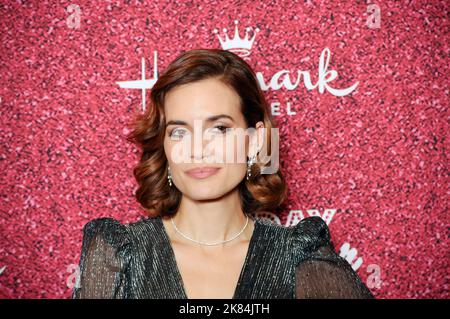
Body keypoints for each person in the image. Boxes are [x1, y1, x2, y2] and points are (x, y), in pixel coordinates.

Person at [72, 48, 374, 299]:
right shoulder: (120, 256)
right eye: (179, 132)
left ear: (254, 141)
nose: (197, 149)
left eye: (219, 128)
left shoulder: (299, 256)